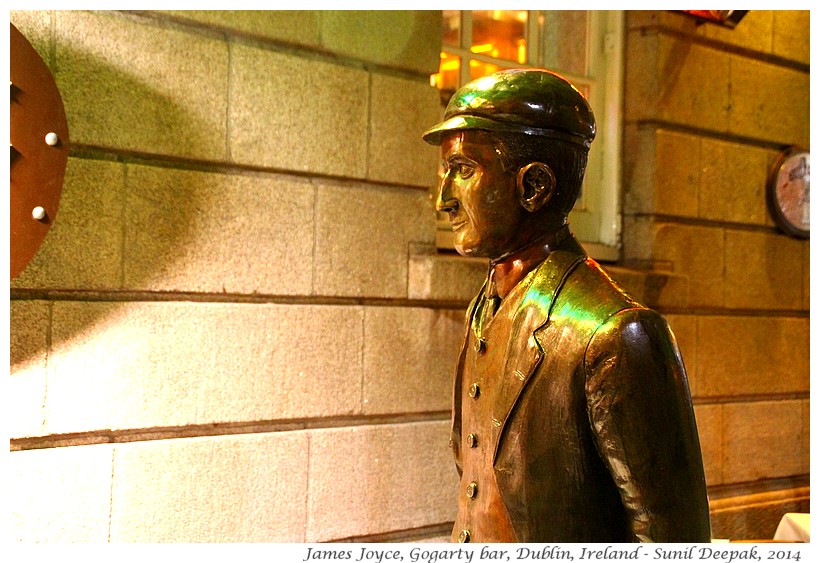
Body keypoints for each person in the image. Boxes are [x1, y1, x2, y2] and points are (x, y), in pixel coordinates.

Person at [422, 69, 711, 543]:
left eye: (464, 171)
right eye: (446, 173)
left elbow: (675, 539)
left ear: (533, 187)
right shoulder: (485, 304)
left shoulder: (616, 333)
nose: (443, 200)